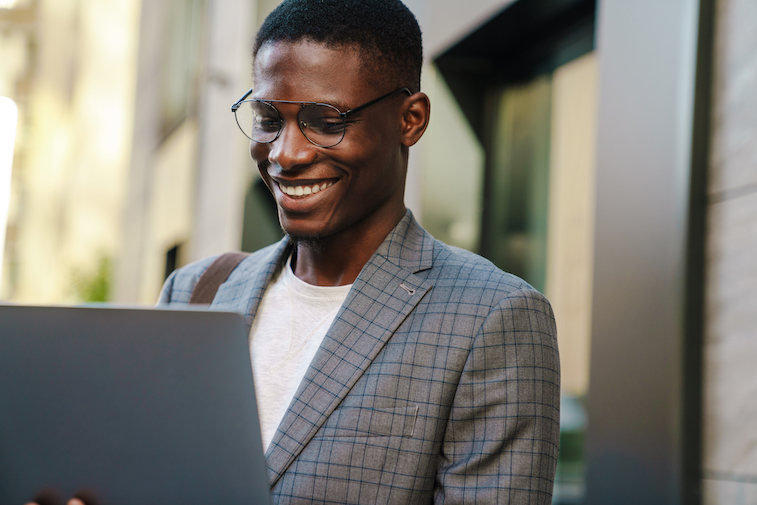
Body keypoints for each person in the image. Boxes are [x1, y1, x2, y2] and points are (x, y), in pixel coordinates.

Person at [159, 0, 560, 503]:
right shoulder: (197, 291)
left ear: (410, 120)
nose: (285, 154)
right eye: (267, 117)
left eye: (325, 121)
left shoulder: (493, 318)